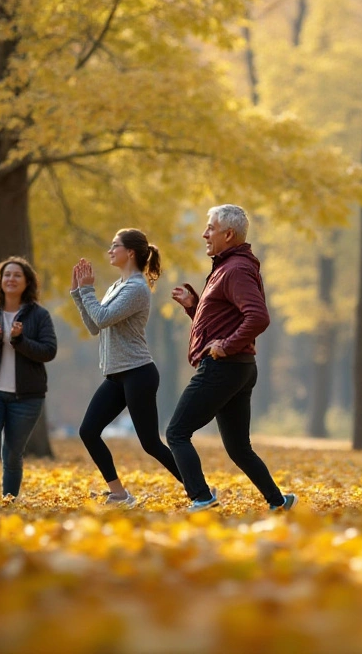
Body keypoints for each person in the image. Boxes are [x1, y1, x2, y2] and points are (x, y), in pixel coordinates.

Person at [167, 205, 296, 512]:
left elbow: (258, 317)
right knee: (239, 447)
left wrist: (226, 344)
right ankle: (279, 502)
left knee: (176, 432)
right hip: (238, 368)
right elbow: (224, 318)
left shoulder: (235, 268)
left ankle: (200, 496)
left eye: (210, 228)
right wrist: (194, 305)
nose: (204, 233)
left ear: (228, 234)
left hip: (224, 368)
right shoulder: (227, 267)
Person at [71, 229, 183, 507]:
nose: (110, 250)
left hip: (138, 372)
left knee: (150, 443)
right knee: (88, 431)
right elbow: (95, 326)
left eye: (115, 246)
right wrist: (77, 293)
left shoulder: (136, 288)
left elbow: (104, 316)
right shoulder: (115, 287)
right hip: (116, 375)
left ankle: (201, 489)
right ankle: (119, 494)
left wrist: (86, 290)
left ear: (130, 252)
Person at [0, 256, 58, 499]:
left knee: (12, 454)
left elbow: (49, 351)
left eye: (17, 275)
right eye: (7, 274)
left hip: (27, 398)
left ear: (27, 282)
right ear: (0, 280)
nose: (11, 279)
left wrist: (20, 340)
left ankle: (9, 502)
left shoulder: (39, 316)